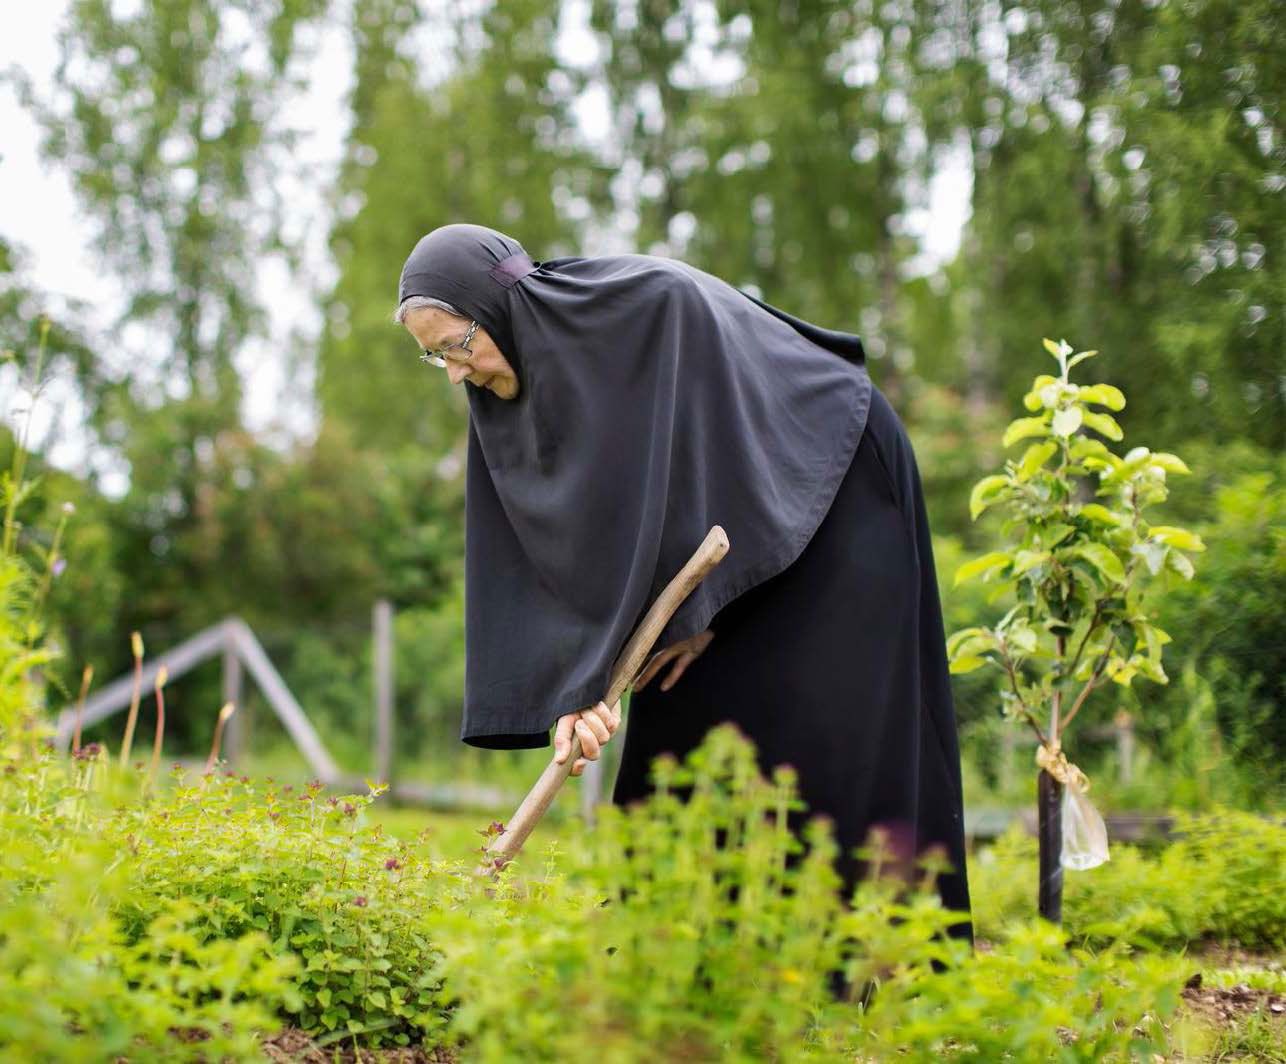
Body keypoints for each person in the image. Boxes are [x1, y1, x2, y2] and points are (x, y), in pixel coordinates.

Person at [394, 223, 971, 936]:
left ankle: (869, 972)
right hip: (726, 541)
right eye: (434, 356)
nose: (455, 371)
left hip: (830, 481)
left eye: (457, 344)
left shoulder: (649, 307)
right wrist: (578, 683)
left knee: (823, 734)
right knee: (680, 740)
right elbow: (556, 546)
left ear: (498, 306)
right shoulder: (507, 395)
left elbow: (708, 444)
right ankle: (683, 972)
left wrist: (697, 609)